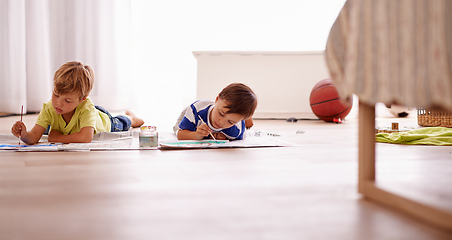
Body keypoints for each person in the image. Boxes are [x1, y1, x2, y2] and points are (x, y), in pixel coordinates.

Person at [11, 61, 144, 144]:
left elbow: (86, 138)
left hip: (102, 120)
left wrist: (57, 138)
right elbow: (33, 137)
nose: (58, 103)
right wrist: (24, 134)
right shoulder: (50, 107)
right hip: (71, 123)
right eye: (55, 95)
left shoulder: (87, 108)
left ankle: (131, 117)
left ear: (82, 99)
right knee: (46, 129)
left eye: (67, 100)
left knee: (121, 123)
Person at [175, 82, 257, 140]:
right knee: (176, 128)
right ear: (217, 98)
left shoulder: (236, 131)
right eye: (221, 114)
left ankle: (246, 116)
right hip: (192, 114)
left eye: (230, 122)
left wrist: (225, 138)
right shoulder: (196, 110)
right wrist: (196, 135)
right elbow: (180, 134)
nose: (221, 122)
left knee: (248, 125)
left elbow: (241, 135)